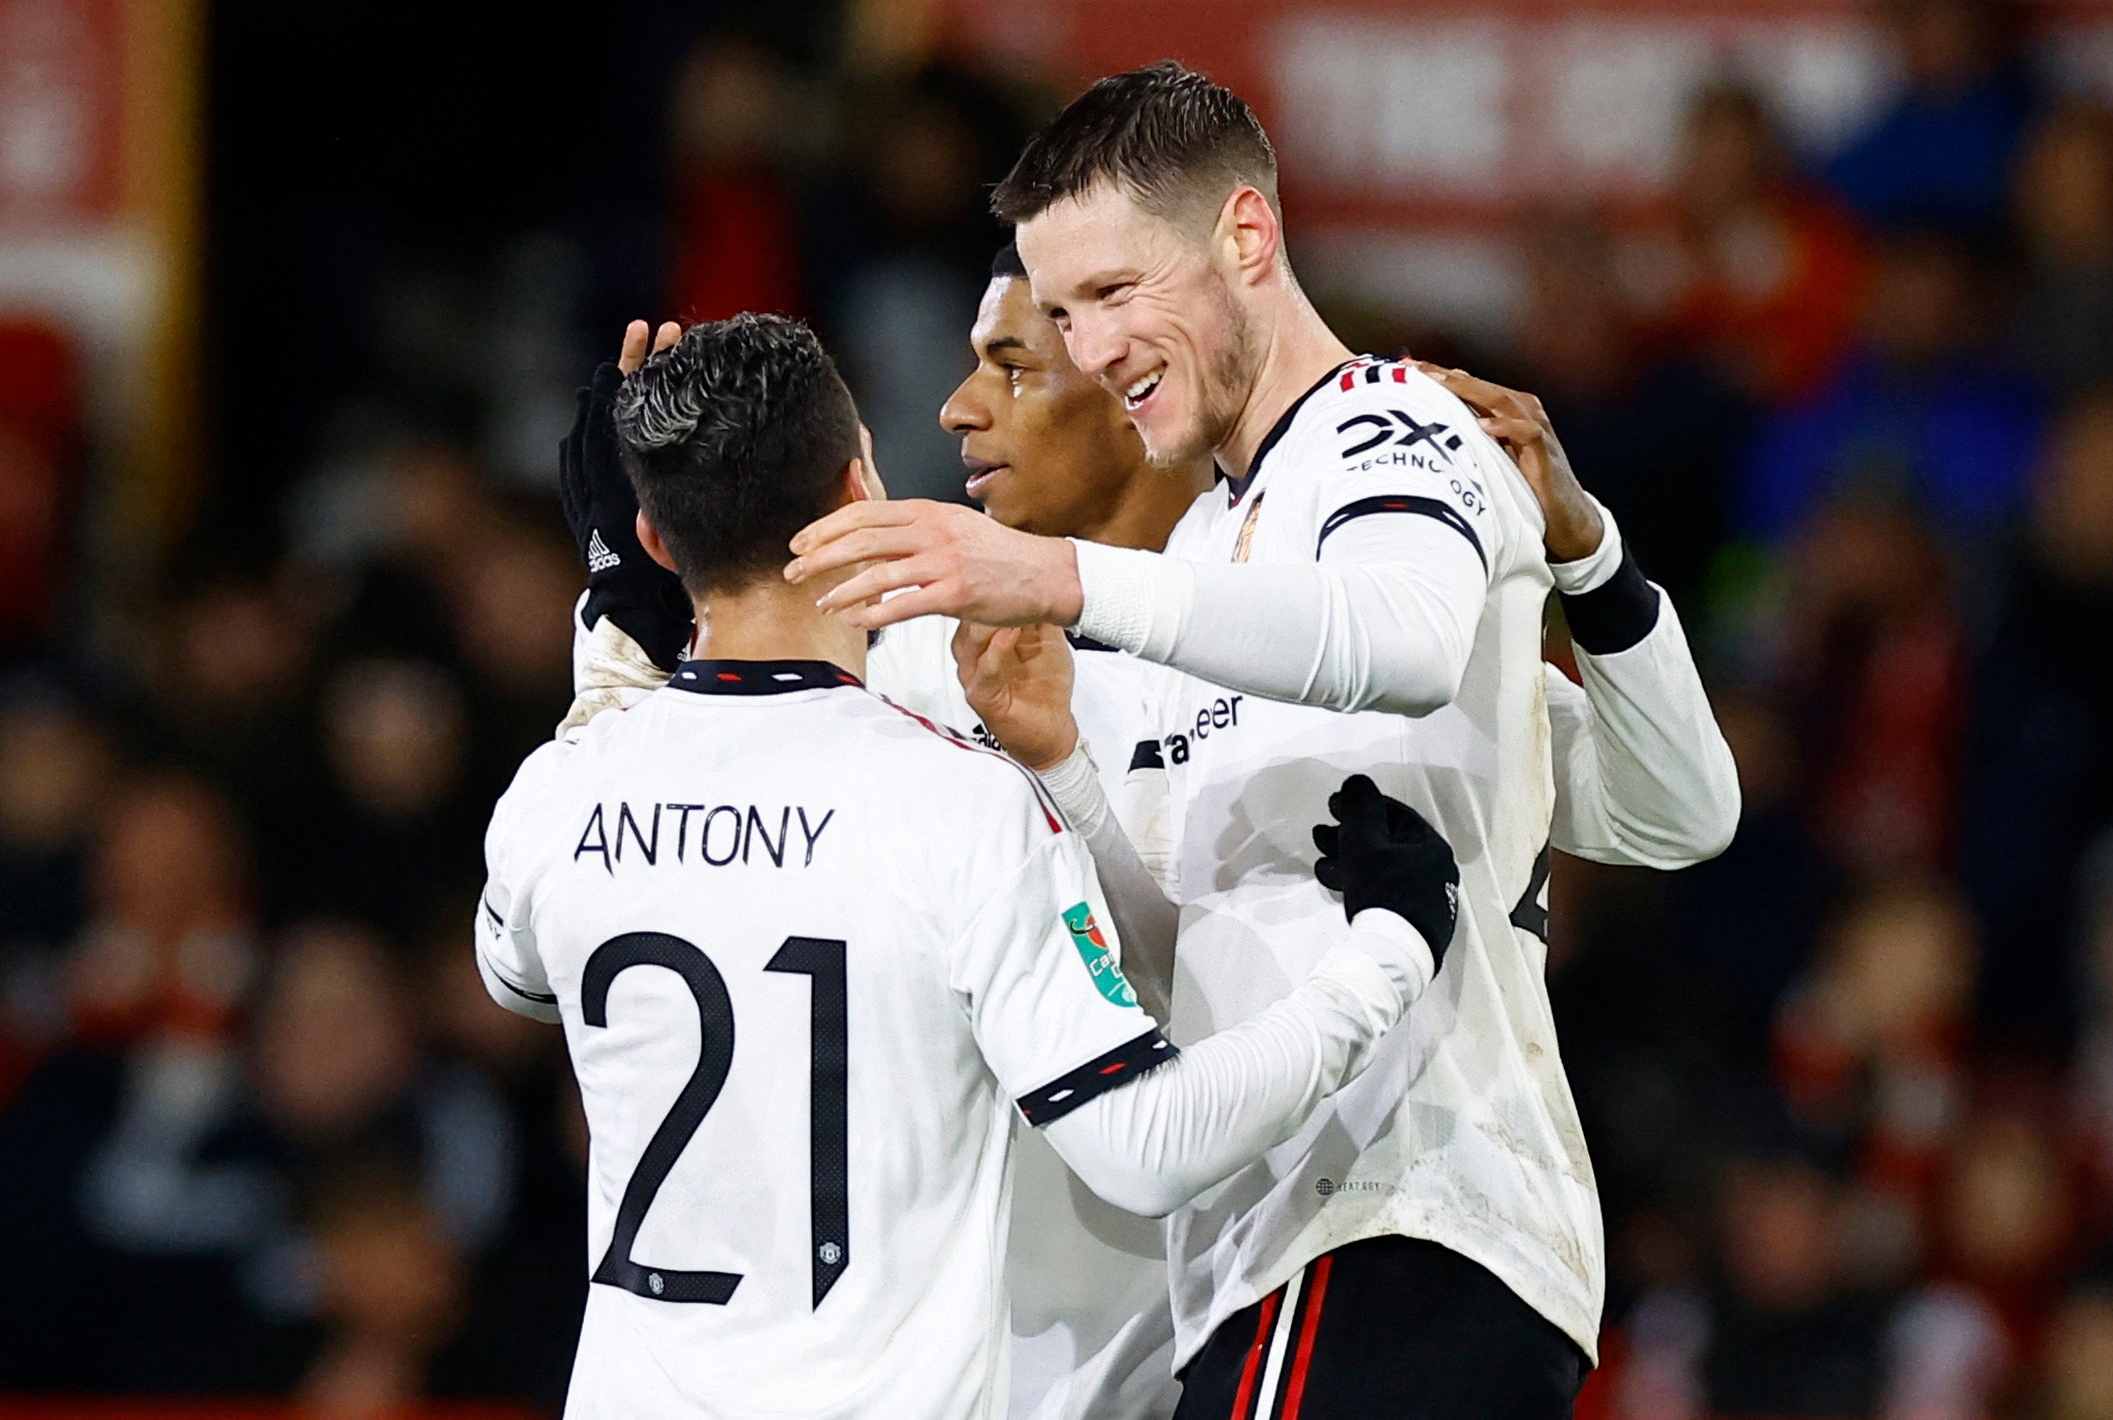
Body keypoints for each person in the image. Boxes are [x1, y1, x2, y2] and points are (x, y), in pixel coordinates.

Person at [563, 257, 1739, 1416]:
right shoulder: (912, 660)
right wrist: (633, 580)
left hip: (1247, 1307)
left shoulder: (1332, 656)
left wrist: (1589, 550)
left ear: (1136, 398)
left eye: (1014, 367)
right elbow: (623, 847)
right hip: (980, 1361)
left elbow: (1679, 810)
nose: (959, 408)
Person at [480, 312, 1464, 1419]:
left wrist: (614, 608)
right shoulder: (959, 808)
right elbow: (1146, 1147)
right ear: (862, 493)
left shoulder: (555, 799)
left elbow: (515, 972)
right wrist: (1384, 953)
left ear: (658, 540)